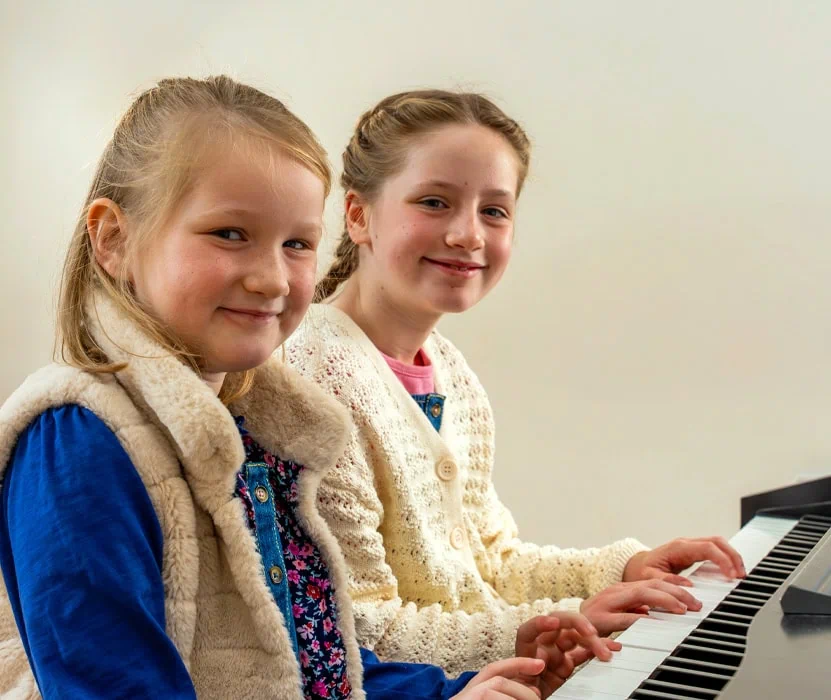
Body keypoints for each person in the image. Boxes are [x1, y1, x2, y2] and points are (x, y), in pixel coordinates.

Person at [0, 76, 613, 700]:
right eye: (230, 234)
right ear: (113, 239)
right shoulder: (77, 443)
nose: (271, 278)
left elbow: (311, 657)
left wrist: (451, 691)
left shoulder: (256, 424)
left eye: (296, 244)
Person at [286, 89, 746, 674]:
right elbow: (359, 630)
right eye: (434, 202)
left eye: (494, 211)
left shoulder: (451, 374)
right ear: (358, 215)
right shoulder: (311, 379)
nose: (468, 235)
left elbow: (493, 564)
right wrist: (568, 616)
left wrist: (625, 568)